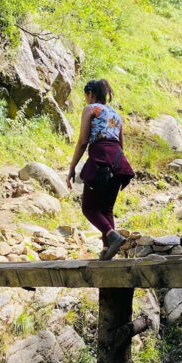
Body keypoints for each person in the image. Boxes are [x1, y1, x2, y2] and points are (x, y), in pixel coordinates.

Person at [66, 79, 134, 260]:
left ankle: (112, 236)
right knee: (107, 209)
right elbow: (120, 144)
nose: (86, 100)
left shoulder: (90, 110)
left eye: (86, 96)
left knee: (88, 208)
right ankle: (107, 251)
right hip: (118, 162)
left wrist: (72, 168)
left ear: (91, 94)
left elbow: (82, 142)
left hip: (101, 159)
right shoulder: (116, 115)